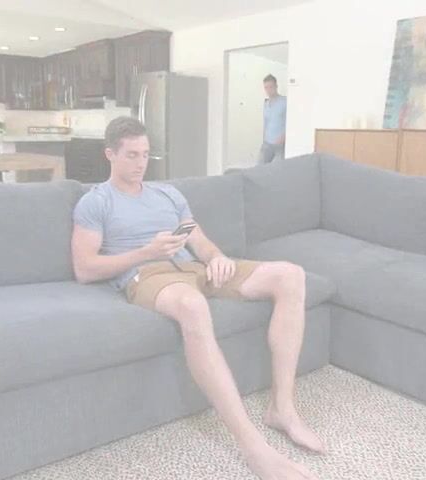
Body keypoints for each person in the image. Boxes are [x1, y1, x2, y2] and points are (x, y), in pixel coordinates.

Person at [71, 116, 324, 480]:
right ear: (110, 154)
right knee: (192, 305)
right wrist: (145, 252)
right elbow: (85, 268)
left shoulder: (169, 196)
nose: (141, 163)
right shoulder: (95, 203)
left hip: (193, 269)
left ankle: (282, 408)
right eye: (131, 155)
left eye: (145, 154)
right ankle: (254, 448)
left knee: (290, 275)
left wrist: (217, 257)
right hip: (148, 275)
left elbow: (199, 240)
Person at [259, 74, 288, 164]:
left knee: (276, 169)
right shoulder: (266, 104)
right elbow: (266, 122)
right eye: (266, 88)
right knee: (259, 167)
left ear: (276, 86)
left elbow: (292, 122)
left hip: (280, 145)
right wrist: (264, 138)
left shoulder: (285, 102)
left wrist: (284, 137)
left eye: (271, 87)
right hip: (267, 143)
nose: (268, 90)